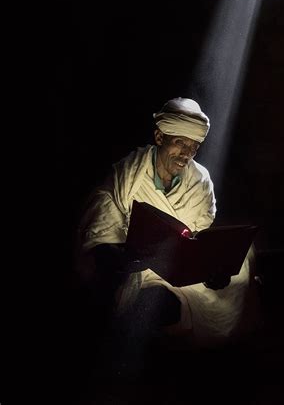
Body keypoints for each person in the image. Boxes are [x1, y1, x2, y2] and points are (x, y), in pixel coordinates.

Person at [75, 97, 258, 375]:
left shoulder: (200, 180)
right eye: (180, 143)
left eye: (194, 147)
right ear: (160, 136)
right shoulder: (127, 176)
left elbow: (201, 235)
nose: (186, 154)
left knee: (243, 264)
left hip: (185, 273)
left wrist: (212, 267)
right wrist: (126, 257)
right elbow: (101, 233)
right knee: (147, 303)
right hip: (139, 270)